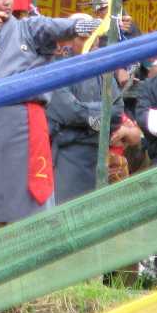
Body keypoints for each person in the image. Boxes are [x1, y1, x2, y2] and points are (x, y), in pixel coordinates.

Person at [0, 0, 86, 227]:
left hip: (25, 119)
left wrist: (87, 25)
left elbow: (57, 27)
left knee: (30, 202)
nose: (7, 1)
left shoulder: (27, 28)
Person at [47, 16, 125, 205]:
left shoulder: (103, 69)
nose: (93, 41)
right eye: (84, 37)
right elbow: (68, 112)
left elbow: (117, 111)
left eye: (95, 35)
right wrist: (100, 117)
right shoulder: (56, 69)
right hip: (68, 153)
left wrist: (90, 116)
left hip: (99, 154)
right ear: (68, 39)